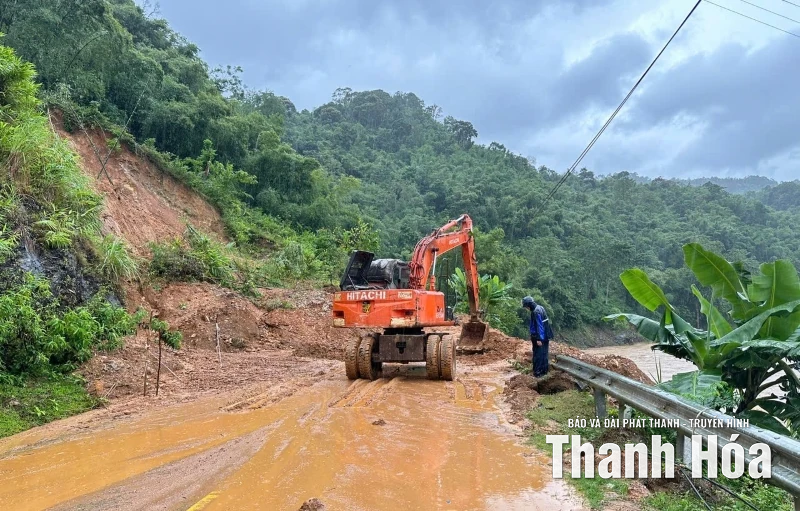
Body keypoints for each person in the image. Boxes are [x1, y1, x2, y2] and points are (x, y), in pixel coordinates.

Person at [522, 296, 553, 377]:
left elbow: (539, 326)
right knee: (544, 354)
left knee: (538, 355)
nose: (527, 308)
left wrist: (539, 339)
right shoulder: (540, 307)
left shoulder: (535, 312)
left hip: (539, 337)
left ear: (529, 305)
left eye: (526, 306)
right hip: (546, 335)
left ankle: (537, 373)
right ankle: (544, 372)